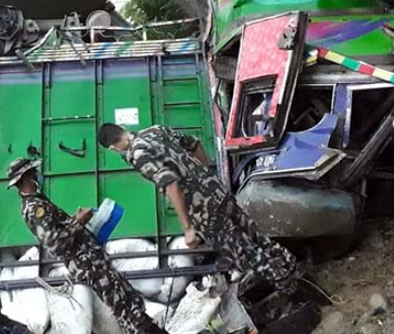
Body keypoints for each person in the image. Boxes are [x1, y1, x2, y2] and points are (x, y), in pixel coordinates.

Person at [97, 123, 298, 294]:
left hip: (204, 211)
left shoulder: (138, 155)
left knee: (245, 253)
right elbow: (194, 143)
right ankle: (291, 266)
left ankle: (291, 288)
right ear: (122, 128)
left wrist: (187, 228)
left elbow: (170, 184)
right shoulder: (156, 130)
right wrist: (206, 176)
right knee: (254, 235)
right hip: (217, 191)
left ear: (113, 148)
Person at [8, 158, 168, 334]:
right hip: (87, 265)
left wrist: (73, 220)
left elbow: (58, 230)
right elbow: (55, 244)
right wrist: (78, 222)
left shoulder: (39, 201)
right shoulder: (34, 208)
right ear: (26, 178)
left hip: (92, 260)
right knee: (123, 306)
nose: (37, 175)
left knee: (127, 300)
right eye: (33, 172)